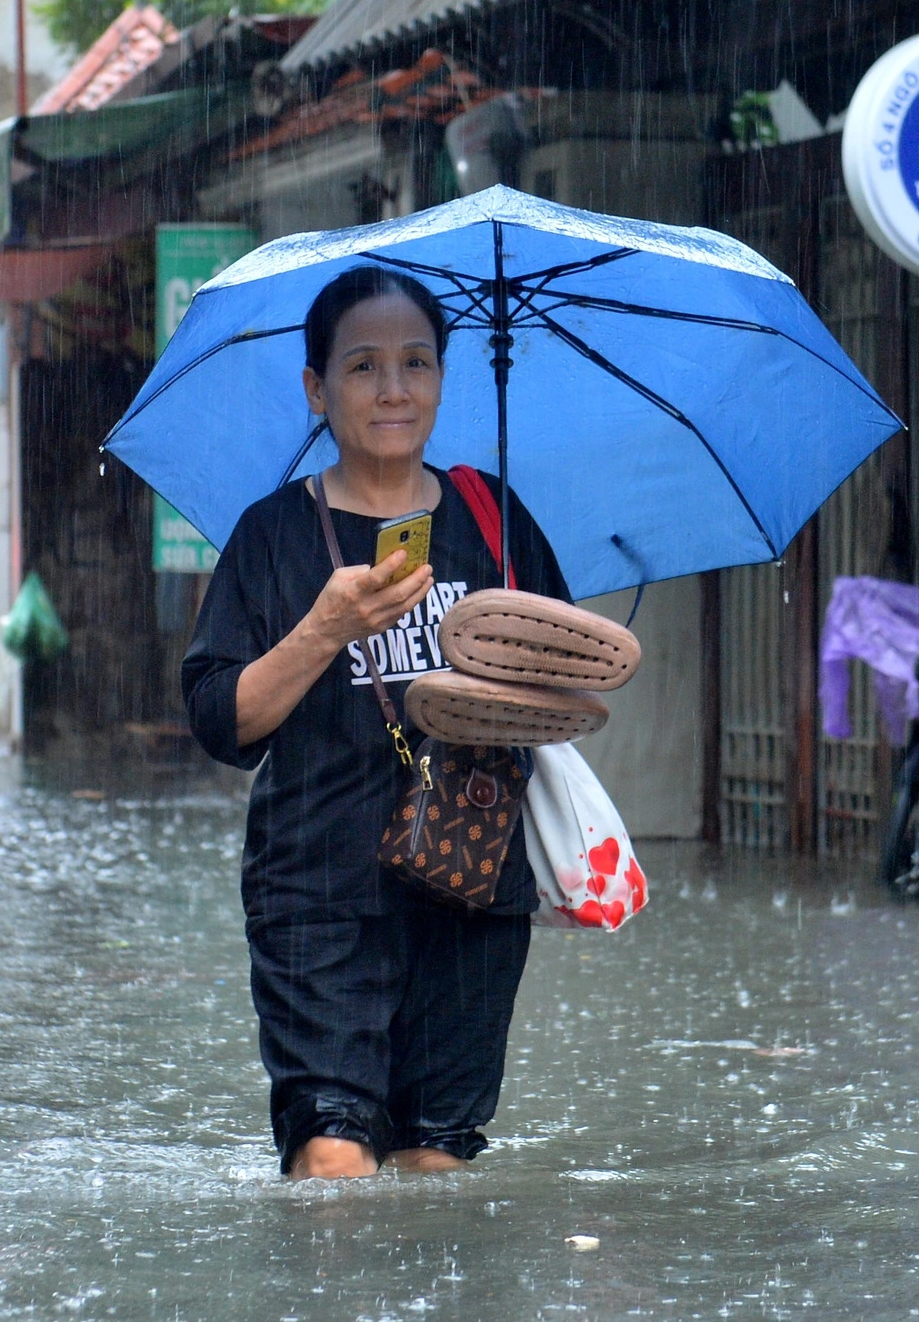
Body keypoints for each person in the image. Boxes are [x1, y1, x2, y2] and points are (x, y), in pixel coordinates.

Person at [181, 266, 570, 1180]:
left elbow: (560, 694)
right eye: (362, 367)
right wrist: (327, 626)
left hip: (472, 883)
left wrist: (499, 679)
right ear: (316, 389)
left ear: (442, 376)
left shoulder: (494, 519)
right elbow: (219, 722)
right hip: (317, 892)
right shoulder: (272, 536)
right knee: (332, 1154)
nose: (394, 389)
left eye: (416, 363)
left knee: (438, 1164)